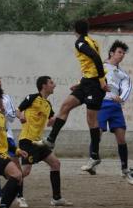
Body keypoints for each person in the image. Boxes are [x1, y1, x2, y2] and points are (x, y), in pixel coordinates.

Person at [35, 20, 108, 175]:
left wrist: (101, 81)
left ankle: (94, 156)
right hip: (87, 82)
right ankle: (51, 140)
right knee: (66, 105)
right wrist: (81, 83)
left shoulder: (80, 42)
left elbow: (95, 58)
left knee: (91, 119)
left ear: (75, 30)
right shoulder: (91, 40)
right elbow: (90, 65)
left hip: (95, 84)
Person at [82, 40, 133, 185]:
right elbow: (88, 78)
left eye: (123, 53)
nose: (122, 55)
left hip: (115, 106)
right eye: (119, 52)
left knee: (121, 138)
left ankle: (125, 169)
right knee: (97, 132)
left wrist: (121, 98)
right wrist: (80, 87)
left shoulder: (123, 74)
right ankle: (92, 160)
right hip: (101, 103)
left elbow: (127, 87)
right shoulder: (100, 67)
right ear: (112, 53)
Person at [17, 76, 72, 207]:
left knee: (55, 163)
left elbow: (51, 121)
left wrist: (65, 111)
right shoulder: (32, 98)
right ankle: (13, 195)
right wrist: (21, 116)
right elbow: (18, 110)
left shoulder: (48, 105)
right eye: (51, 83)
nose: (54, 85)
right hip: (27, 140)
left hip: (39, 142)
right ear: (44, 86)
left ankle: (56, 198)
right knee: (25, 172)